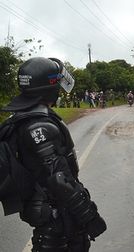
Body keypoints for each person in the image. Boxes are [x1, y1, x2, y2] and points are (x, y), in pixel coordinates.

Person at [1, 57, 106, 251]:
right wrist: (90, 216)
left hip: (53, 213)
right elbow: (59, 179)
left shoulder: (26, 117)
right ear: (48, 87)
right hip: (55, 218)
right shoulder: (38, 126)